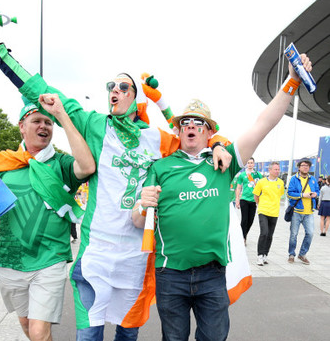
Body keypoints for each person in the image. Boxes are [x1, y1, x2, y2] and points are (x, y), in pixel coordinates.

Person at [0, 15, 232, 341]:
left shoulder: (157, 139)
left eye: (124, 87)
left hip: (135, 257)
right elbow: (40, 89)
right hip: (97, 253)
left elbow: (195, 140)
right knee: (89, 335)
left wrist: (220, 142)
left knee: (126, 336)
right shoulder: (94, 125)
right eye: (111, 87)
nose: (115, 91)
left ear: (135, 98)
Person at [134, 54, 312, 341]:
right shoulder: (160, 167)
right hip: (171, 275)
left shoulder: (224, 161)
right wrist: (142, 205)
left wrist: (291, 80)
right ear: (178, 130)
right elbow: (136, 219)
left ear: (210, 131)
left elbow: (263, 123)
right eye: (186, 122)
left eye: (199, 123)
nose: (191, 126)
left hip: (212, 275)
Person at [0, 93, 95, 341]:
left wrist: (61, 115)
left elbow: (87, 167)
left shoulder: (62, 164)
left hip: (50, 258)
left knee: (38, 330)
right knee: (26, 324)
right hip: (10, 258)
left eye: (48, 122)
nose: (43, 126)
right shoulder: (3, 164)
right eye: (36, 121)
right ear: (22, 127)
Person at [287, 158, 320, 265]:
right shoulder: (294, 179)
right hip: (297, 211)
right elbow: (289, 194)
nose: (306, 167)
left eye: (307, 166)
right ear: (299, 167)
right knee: (293, 234)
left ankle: (302, 254)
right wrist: (302, 195)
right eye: (303, 165)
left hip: (309, 212)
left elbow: (317, 191)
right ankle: (291, 254)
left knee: (310, 233)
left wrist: (316, 194)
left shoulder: (313, 179)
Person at [252, 162, 285, 266]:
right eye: (275, 169)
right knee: (264, 233)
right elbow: (256, 196)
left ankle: (265, 254)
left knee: (270, 235)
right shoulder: (261, 182)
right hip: (263, 211)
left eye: (278, 169)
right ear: (270, 170)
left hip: (274, 212)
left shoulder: (281, 182)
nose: (277, 171)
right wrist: (260, 205)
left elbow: (280, 196)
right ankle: (260, 256)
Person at [235, 157, 263, 243]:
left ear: (254, 164)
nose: (250, 164)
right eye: (248, 163)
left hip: (254, 200)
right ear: (246, 164)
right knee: (244, 219)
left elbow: (262, 187)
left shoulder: (258, 174)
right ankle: (243, 238)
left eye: (251, 163)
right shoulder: (242, 175)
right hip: (244, 199)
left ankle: (244, 234)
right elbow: (239, 187)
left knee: (250, 220)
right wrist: (237, 199)